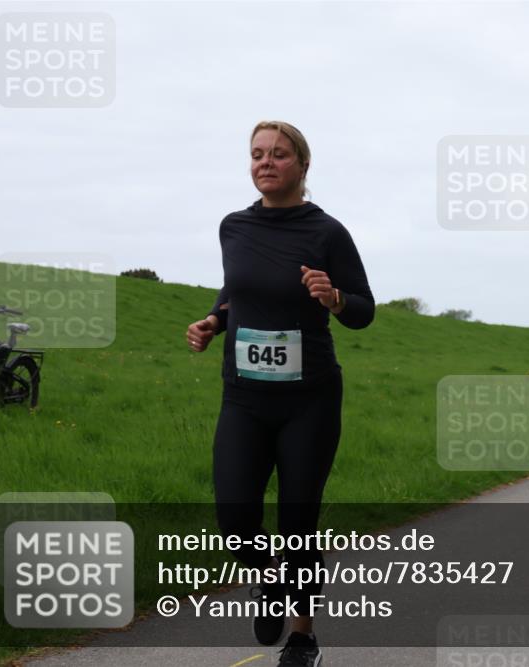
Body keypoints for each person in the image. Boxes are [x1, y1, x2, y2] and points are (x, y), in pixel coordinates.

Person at [185, 121, 374, 667]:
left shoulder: (327, 232)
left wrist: (335, 296)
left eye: (279, 154)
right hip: (244, 397)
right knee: (235, 520)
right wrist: (213, 322)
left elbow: (364, 309)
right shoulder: (234, 227)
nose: (266, 162)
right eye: (257, 154)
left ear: (302, 166)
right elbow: (235, 292)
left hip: (308, 400)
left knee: (298, 522)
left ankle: (303, 637)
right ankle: (271, 581)